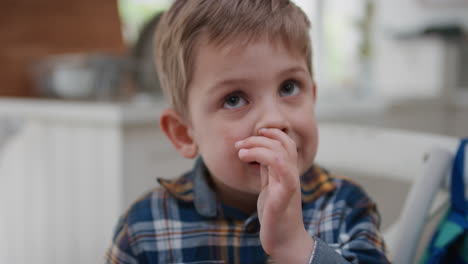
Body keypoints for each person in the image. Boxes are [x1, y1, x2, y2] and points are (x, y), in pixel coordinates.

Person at [105, 0, 391, 263]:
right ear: (184, 133)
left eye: (288, 87)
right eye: (234, 99)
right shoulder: (144, 229)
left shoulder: (346, 208)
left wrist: (296, 247)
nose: (275, 119)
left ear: (313, 98)